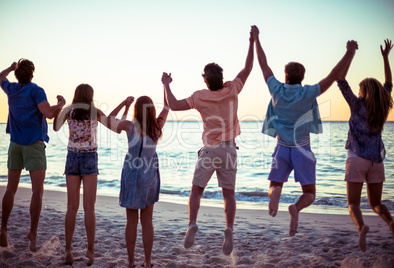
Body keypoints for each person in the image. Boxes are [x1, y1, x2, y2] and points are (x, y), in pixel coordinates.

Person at [251, 25, 359, 236]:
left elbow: (263, 64)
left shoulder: (277, 90)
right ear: (302, 77)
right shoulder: (309, 93)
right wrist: (349, 53)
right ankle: (296, 207)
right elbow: (333, 75)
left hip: (282, 148)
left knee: (274, 185)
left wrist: (256, 40)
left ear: (286, 76)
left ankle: (276, 193)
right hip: (302, 149)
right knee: (309, 192)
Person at [161, 27, 254, 256]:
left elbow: (172, 105)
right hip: (230, 150)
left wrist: (166, 84)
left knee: (196, 191)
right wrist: (252, 41)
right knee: (228, 194)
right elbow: (248, 68)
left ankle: (192, 223)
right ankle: (229, 228)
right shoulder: (232, 89)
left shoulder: (199, 96)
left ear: (205, 79)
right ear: (222, 78)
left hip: (210, 150)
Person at [0, 59, 65, 252]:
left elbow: (0, 77)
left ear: (17, 74)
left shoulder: (11, 88)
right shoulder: (36, 90)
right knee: (37, 191)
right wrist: (61, 103)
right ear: (32, 74)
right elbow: (49, 113)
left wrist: (10, 68)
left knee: (11, 189)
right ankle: (32, 233)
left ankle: (3, 228)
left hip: (15, 145)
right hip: (34, 144)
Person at [336, 39, 394, 252]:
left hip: (356, 159)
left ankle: (361, 228)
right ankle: (391, 223)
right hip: (376, 162)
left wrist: (349, 53)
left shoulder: (356, 104)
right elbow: (389, 83)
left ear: (362, 91)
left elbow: (340, 80)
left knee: (353, 204)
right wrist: (386, 57)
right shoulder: (383, 107)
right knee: (376, 204)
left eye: (360, 89)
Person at [108, 90, 169, 268]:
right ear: (151, 111)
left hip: (132, 174)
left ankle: (131, 260)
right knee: (147, 221)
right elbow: (167, 106)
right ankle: (148, 261)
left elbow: (110, 119)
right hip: (149, 174)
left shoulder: (129, 126)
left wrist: (124, 104)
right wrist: (165, 85)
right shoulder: (157, 127)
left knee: (131, 221)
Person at [53, 84, 110, 265]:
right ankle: (90, 251)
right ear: (90, 96)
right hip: (90, 157)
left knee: (71, 207)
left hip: (72, 157)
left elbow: (55, 127)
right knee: (89, 208)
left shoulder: (69, 111)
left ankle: (68, 250)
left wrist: (59, 107)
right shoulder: (95, 112)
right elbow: (111, 124)